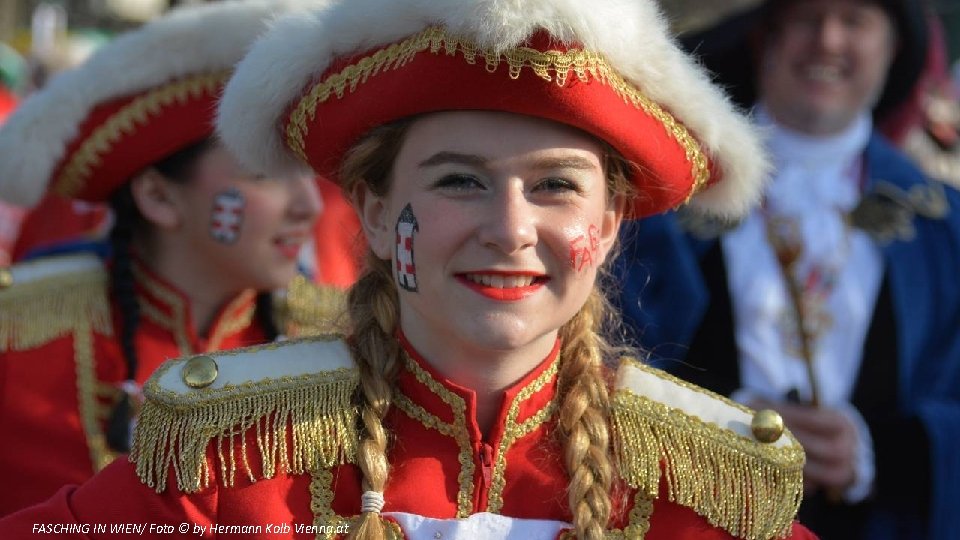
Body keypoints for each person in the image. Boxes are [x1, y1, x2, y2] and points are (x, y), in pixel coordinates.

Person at [0, 0, 816, 538]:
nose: (510, 229)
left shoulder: (714, 493)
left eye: (555, 187)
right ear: (377, 211)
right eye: (459, 180)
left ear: (604, 228)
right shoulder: (232, 464)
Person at [613, 1, 960, 538]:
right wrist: (716, 424)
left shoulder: (947, 228)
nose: (827, 41)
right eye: (806, 18)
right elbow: (607, 357)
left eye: (855, 21)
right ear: (764, 40)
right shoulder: (661, 200)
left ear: (893, 49)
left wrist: (876, 453)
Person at [0, 0, 336, 516]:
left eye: (308, 172)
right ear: (158, 197)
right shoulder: (18, 335)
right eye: (265, 175)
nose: (308, 206)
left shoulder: (342, 343)